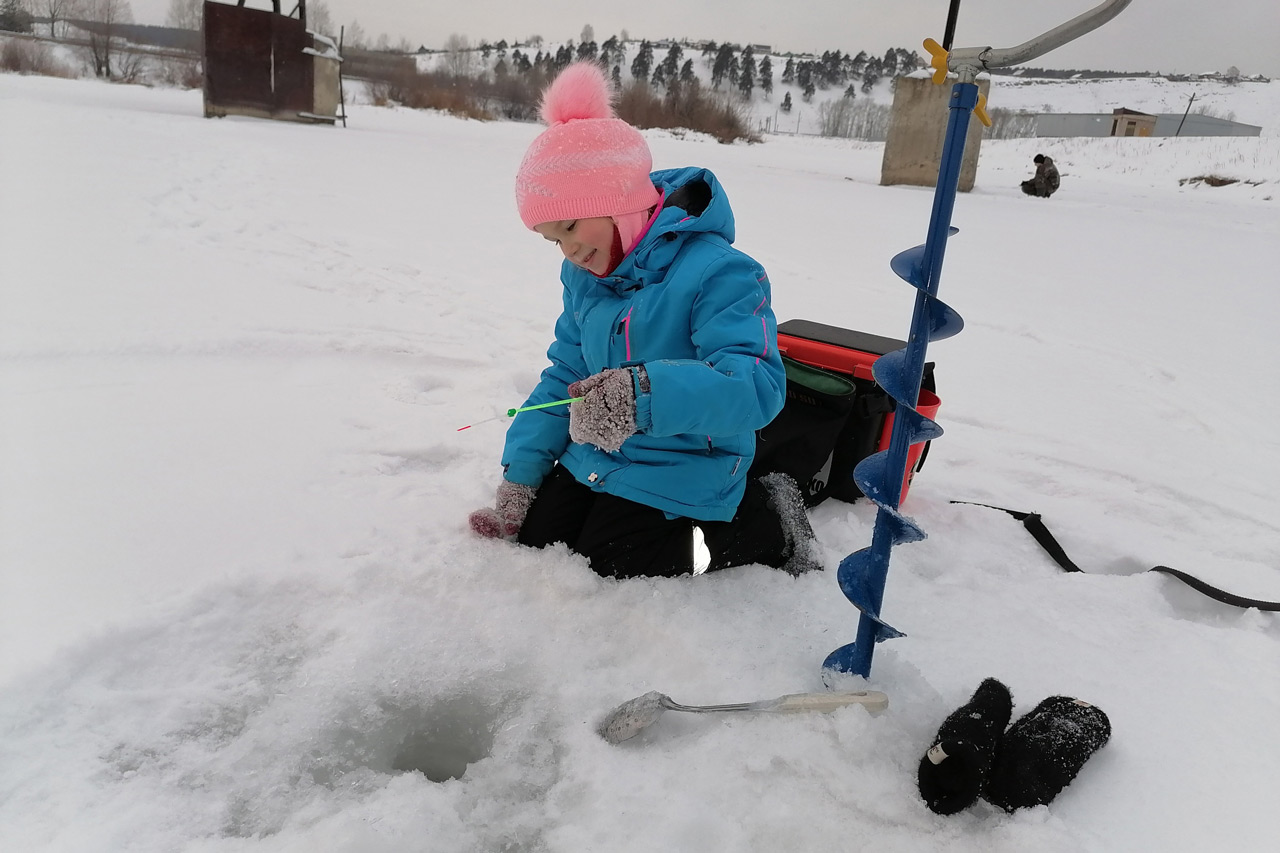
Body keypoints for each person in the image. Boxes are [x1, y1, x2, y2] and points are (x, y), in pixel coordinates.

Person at [467, 62, 819, 580]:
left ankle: (768, 517)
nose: (569, 251)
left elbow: (758, 386)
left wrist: (639, 396)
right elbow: (565, 374)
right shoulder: (584, 279)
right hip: (598, 454)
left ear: (619, 203)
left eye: (569, 226)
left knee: (613, 563)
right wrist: (521, 478)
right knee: (541, 539)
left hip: (688, 464)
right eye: (552, 240)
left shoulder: (722, 273)